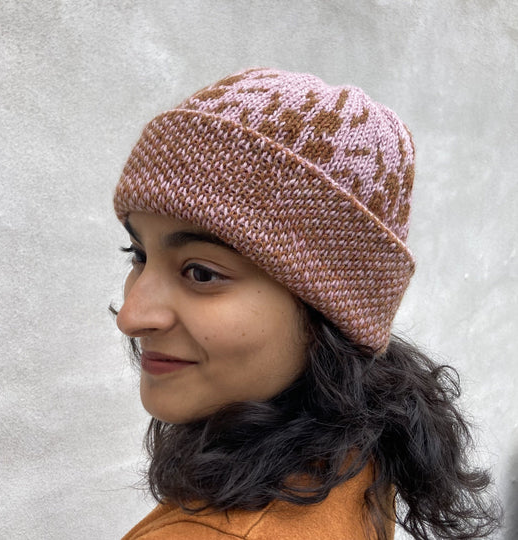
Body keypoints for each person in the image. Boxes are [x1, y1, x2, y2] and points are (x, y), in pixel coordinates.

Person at [111, 68, 500, 539]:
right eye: (139, 255)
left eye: (201, 273)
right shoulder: (351, 457)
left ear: (330, 312)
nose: (131, 316)